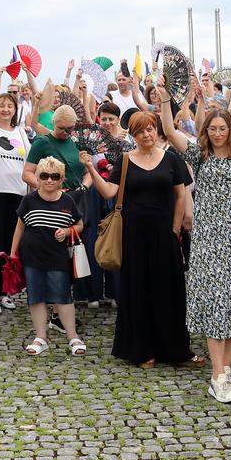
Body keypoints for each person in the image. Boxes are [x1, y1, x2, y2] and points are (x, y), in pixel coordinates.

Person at [161, 100, 231, 403]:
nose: (218, 133)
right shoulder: (199, 155)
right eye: (213, 128)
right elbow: (169, 129)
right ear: (206, 130)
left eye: (223, 128)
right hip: (206, 237)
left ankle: (226, 369)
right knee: (213, 300)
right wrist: (166, 99)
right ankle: (217, 375)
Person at [82, 110, 197, 368]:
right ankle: (142, 350)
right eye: (140, 131)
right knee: (137, 291)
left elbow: (181, 195)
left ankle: (176, 350)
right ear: (133, 135)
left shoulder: (171, 159)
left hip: (165, 234)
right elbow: (110, 191)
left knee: (169, 292)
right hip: (133, 235)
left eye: (150, 129)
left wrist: (176, 229)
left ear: (156, 130)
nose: (146, 135)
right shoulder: (125, 160)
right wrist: (90, 168)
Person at [26, 106, 104, 304]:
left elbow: (88, 172)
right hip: (51, 203)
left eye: (70, 128)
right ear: (53, 123)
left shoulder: (78, 142)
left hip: (77, 199)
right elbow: (27, 173)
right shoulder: (42, 143)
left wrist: (84, 188)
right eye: (62, 128)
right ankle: (53, 299)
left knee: (81, 245)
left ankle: (81, 293)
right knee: (55, 249)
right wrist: (48, 187)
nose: (66, 132)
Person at [11, 159, 86, 357]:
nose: (49, 180)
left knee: (62, 296)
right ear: (37, 178)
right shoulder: (29, 200)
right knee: (36, 297)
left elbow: (80, 225)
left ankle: (72, 336)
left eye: (55, 176)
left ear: (62, 179)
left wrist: (68, 231)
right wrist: (12, 253)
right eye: (44, 176)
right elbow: (19, 227)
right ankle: (40, 337)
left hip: (58, 256)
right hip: (32, 256)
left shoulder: (67, 201)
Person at [0, 91, 32, 315]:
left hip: (18, 194)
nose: (6, 109)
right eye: (1, 105)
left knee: (12, 246)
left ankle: (5, 290)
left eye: (10, 106)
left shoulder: (20, 131)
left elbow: (29, 161)